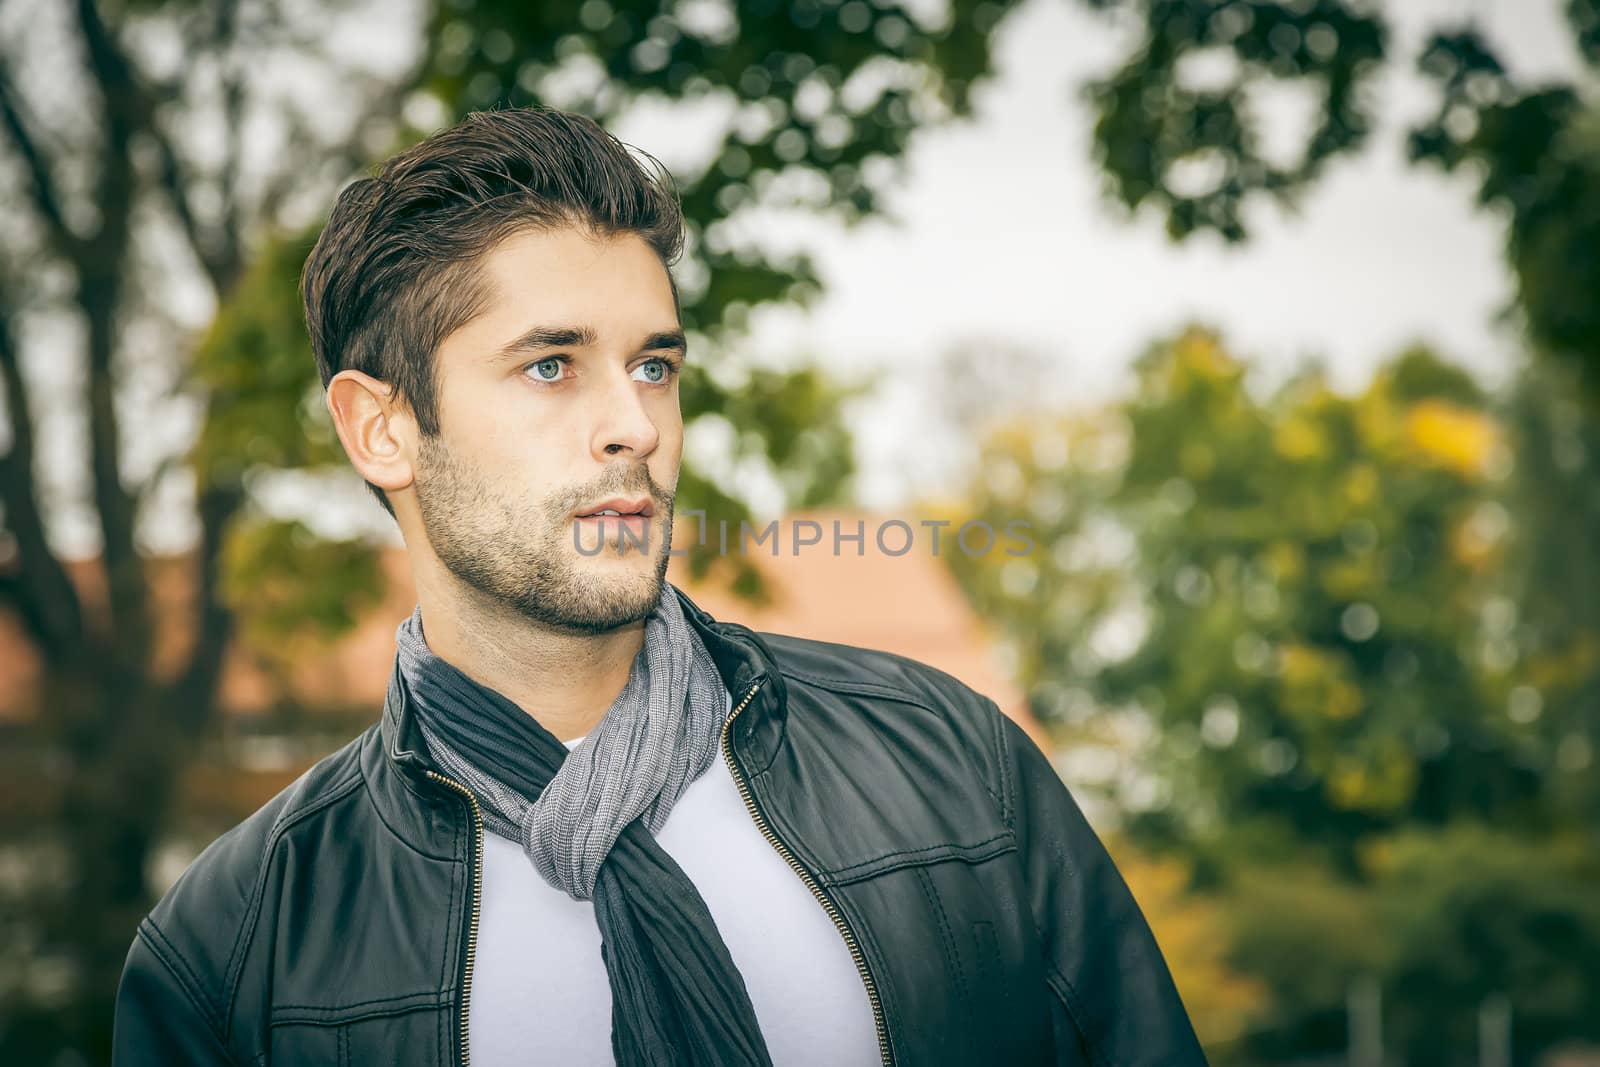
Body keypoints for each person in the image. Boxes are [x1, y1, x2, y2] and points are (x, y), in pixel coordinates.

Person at [112, 106, 1205, 1066]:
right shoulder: (233, 946)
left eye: (655, 366)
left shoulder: (952, 765)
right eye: (552, 365)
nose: (636, 425)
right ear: (383, 427)